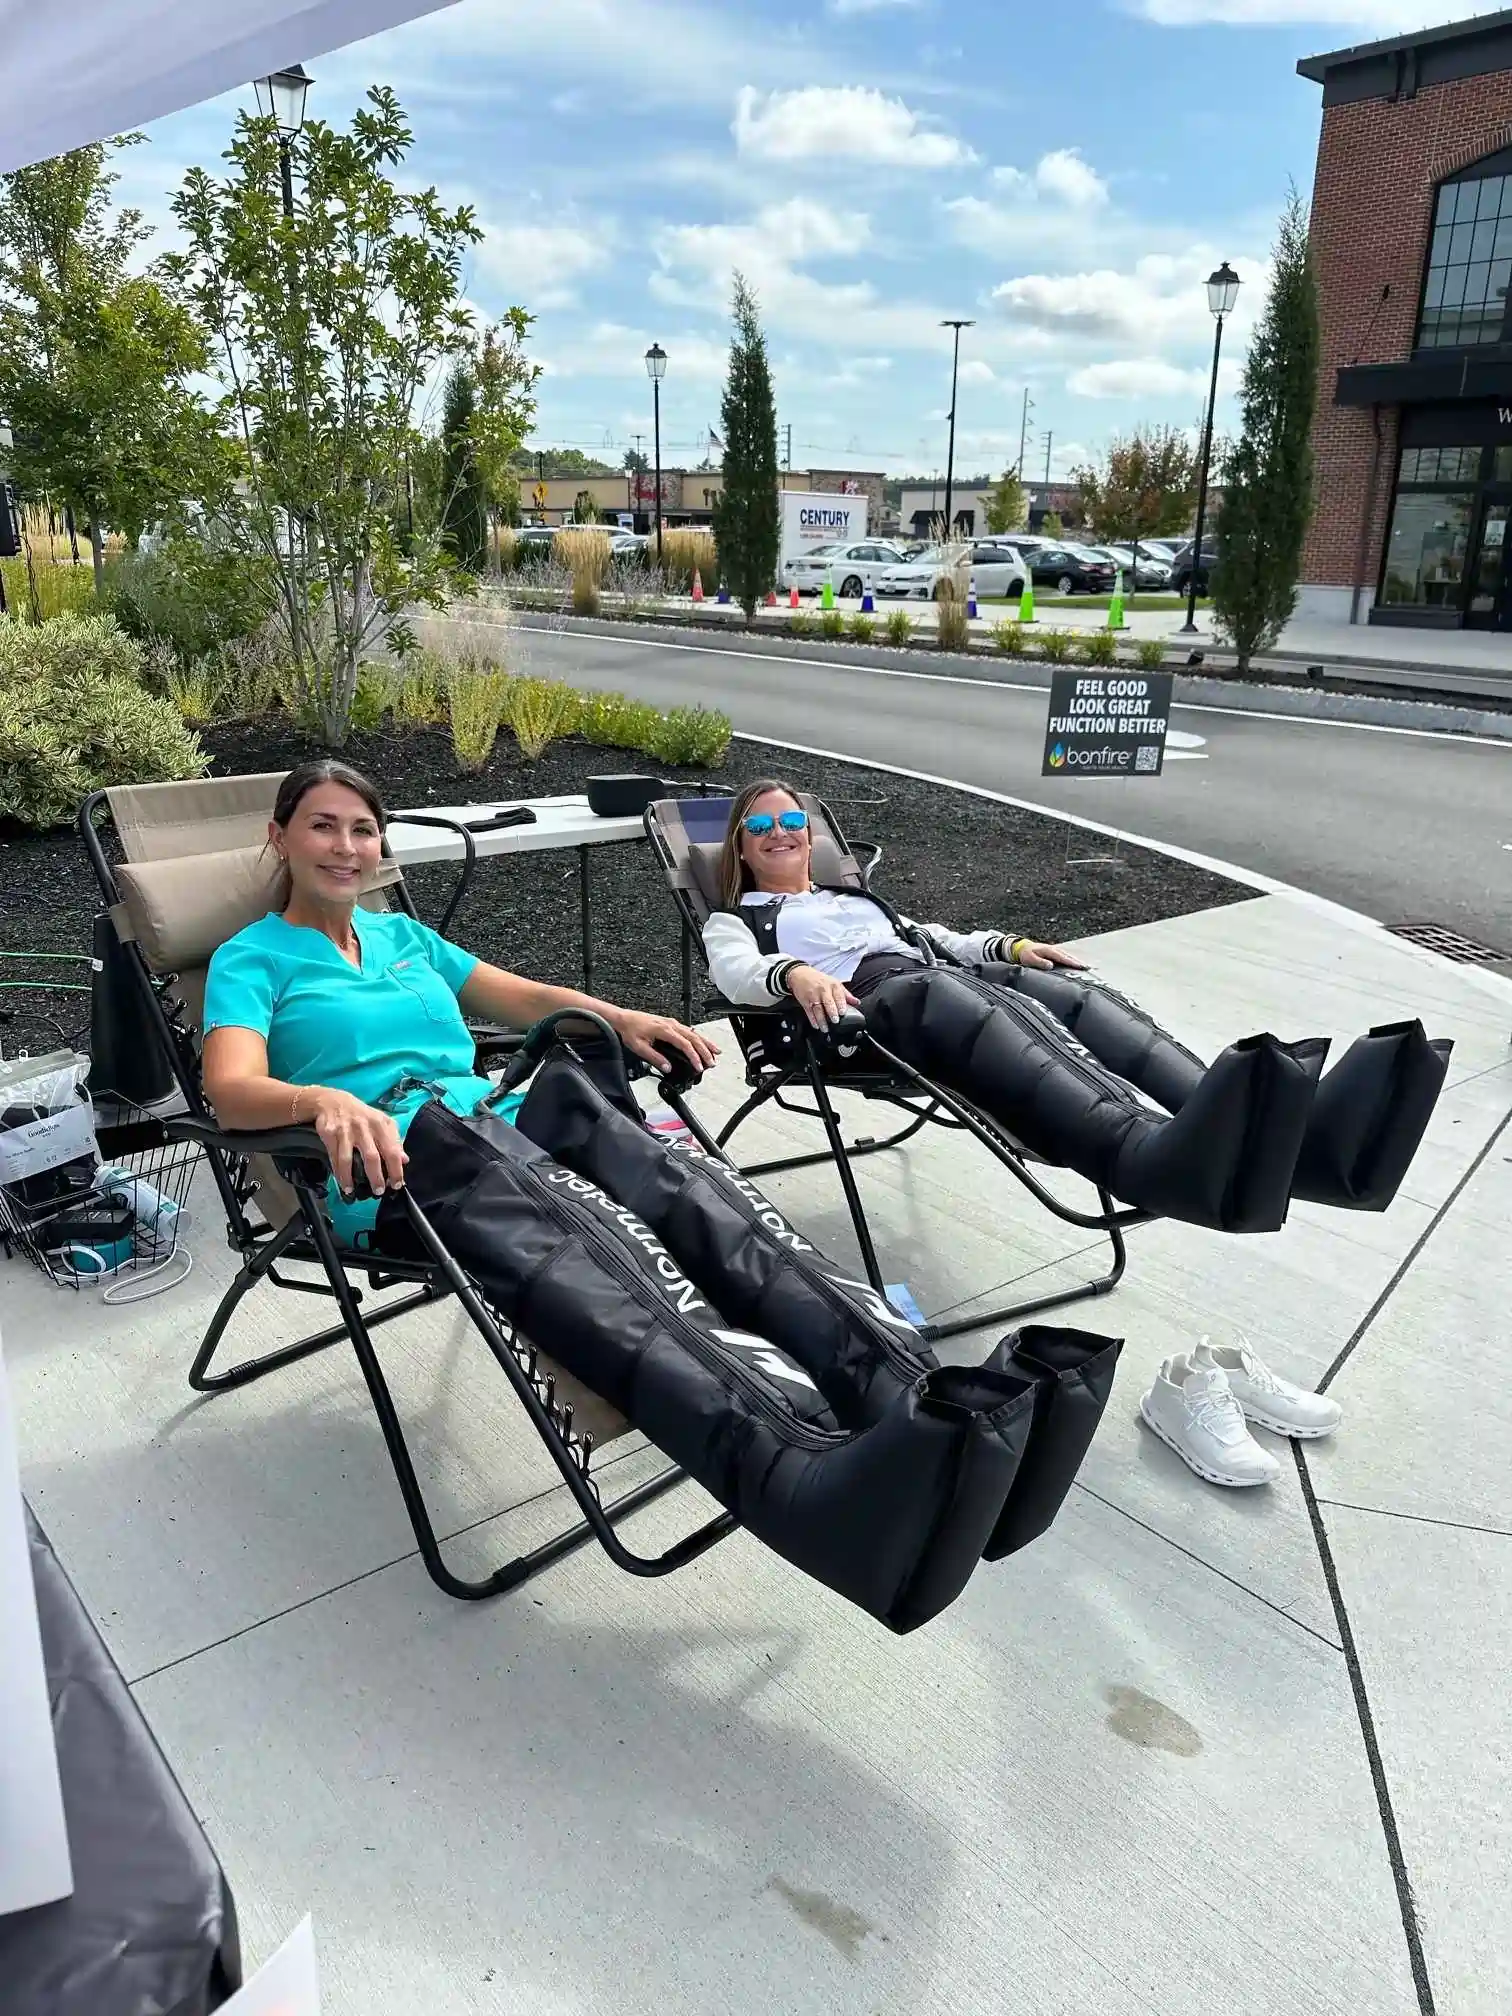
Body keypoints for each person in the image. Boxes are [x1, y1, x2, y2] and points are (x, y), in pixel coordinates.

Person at [198, 759, 1116, 1630]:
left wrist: (625, 1018)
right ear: (280, 837)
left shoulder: (401, 937)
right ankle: (796, 1470)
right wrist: (320, 1100)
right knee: (614, 1257)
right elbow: (231, 1088)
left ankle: (911, 1391)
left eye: (364, 830)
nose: (347, 847)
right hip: (406, 1163)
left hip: (504, 1119)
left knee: (699, 1198)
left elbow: (519, 998)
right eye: (324, 827)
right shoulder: (254, 957)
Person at [701, 778, 1451, 1234]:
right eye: (760, 826)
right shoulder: (741, 919)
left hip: (936, 987)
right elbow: (736, 974)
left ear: (810, 836)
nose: (779, 833)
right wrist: (793, 974)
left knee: (1065, 993)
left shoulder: (850, 894)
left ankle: (1295, 1143)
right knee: (956, 994)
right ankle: (1144, 1153)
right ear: (739, 847)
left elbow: (938, 939)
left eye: (790, 821)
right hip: (863, 1024)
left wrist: (1012, 948)